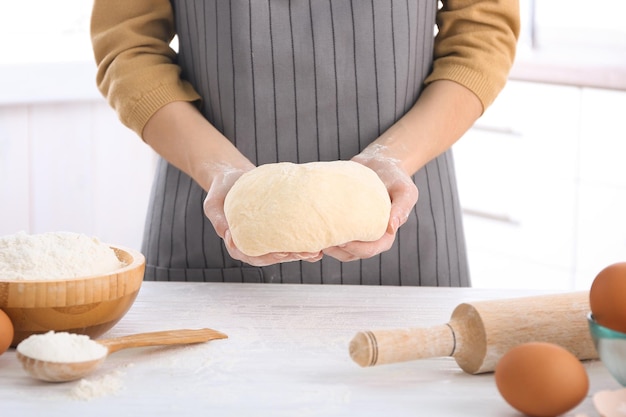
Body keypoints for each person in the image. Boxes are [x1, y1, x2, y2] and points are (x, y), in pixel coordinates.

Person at [90, 0, 519, 286]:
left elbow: (482, 34)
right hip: (212, 210)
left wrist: (395, 158)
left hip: (407, 222)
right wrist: (217, 168)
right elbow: (127, 46)